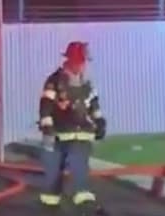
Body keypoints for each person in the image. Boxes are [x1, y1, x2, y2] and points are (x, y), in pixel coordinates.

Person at [37, 41, 107, 209]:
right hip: (57, 135)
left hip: (82, 135)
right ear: (70, 60)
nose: (82, 65)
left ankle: (85, 206)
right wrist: (47, 127)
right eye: (80, 61)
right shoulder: (55, 81)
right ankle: (50, 205)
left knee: (79, 169)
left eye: (83, 62)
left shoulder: (87, 84)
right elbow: (46, 105)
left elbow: (94, 106)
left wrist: (100, 122)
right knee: (53, 174)